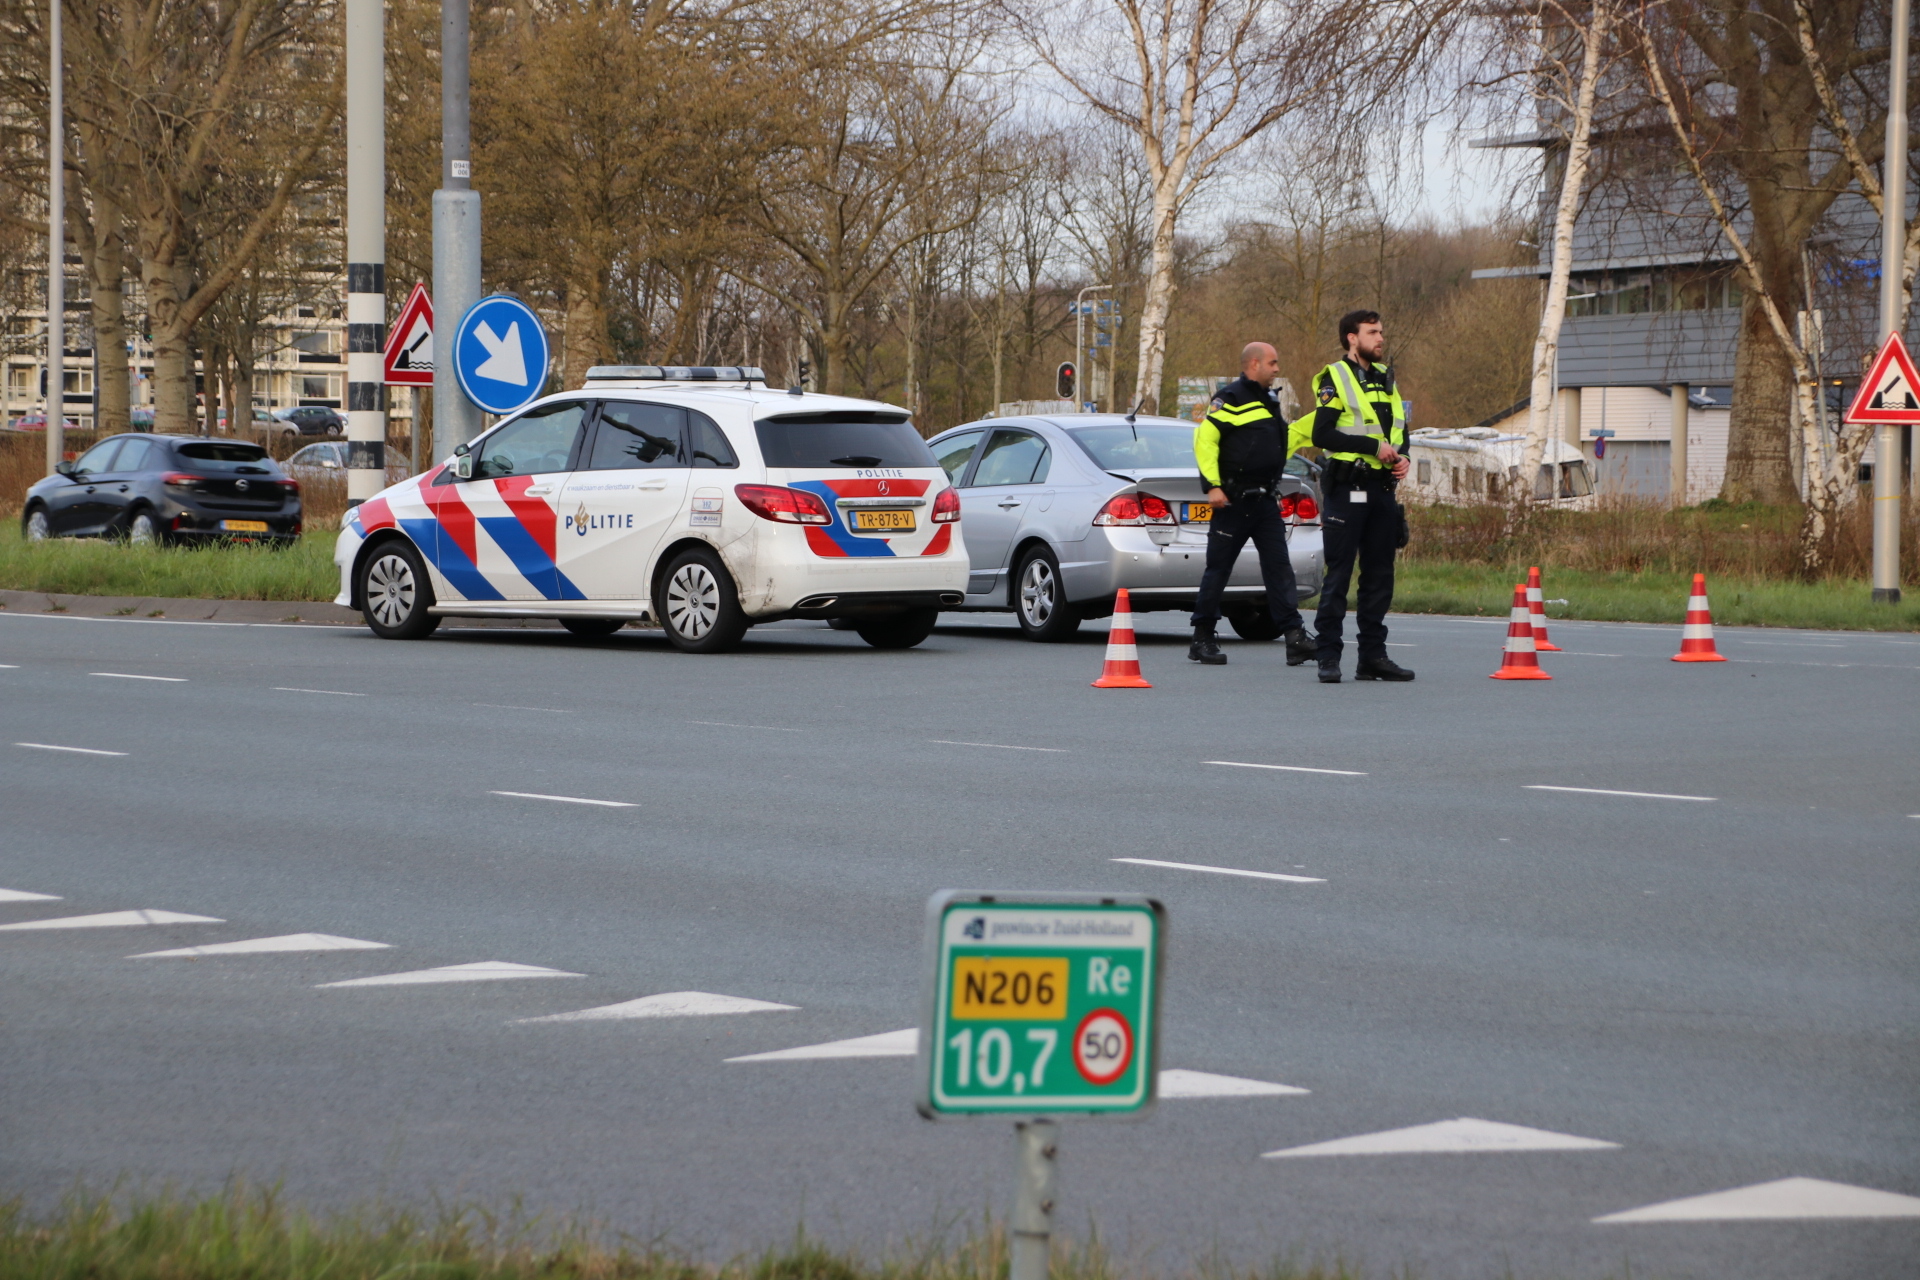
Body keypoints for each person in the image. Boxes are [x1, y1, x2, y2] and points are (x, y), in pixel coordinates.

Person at [1189, 341, 1395, 666]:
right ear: (1254, 364)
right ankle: (1202, 637)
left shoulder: (1270, 399)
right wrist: (1212, 486)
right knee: (1219, 568)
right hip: (1233, 500)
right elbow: (1205, 440)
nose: (1277, 368)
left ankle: (1294, 637)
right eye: (1272, 363)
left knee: (1279, 568)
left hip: (1265, 501)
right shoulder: (1229, 398)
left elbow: (1286, 438)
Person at [1310, 310, 1414, 683]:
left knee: (1380, 578)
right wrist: (1374, 446)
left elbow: (1400, 430)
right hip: (1347, 490)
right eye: (1373, 332)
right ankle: (1328, 657)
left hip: (1383, 491)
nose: (1380, 338)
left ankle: (1372, 657)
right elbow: (1323, 434)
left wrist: (1404, 457)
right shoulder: (1334, 377)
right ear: (1352, 338)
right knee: (1338, 576)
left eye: (1381, 331)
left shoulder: (1386, 379)